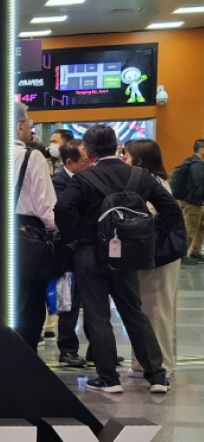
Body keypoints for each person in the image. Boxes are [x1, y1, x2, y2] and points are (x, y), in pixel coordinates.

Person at [54, 124, 174, 393]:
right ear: (116, 145)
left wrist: (70, 238)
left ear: (87, 150)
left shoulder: (83, 179)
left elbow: (62, 207)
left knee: (97, 314)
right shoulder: (139, 176)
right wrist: (150, 241)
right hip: (128, 254)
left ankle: (108, 378)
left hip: (89, 251)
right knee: (134, 312)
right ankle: (156, 376)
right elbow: (171, 211)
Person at [125, 138, 186, 376]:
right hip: (158, 255)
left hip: (160, 256)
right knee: (150, 310)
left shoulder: (155, 183)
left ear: (139, 159)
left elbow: (156, 216)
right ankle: (145, 362)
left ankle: (159, 365)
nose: (124, 160)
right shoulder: (150, 181)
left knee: (157, 311)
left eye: (128, 156)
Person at [12, 103, 58, 352]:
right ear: (20, 126)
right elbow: (45, 205)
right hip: (27, 233)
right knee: (28, 299)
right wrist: (59, 233)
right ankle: (24, 355)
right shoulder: (32, 156)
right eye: (30, 123)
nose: (32, 128)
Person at [51, 139, 87, 367]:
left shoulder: (85, 179)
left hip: (85, 249)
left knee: (90, 300)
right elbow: (62, 214)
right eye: (86, 160)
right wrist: (71, 238)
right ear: (71, 162)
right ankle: (67, 349)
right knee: (68, 303)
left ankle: (98, 349)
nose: (90, 163)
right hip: (66, 252)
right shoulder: (59, 182)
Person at [173, 139, 204, 265]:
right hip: (193, 202)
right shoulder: (197, 165)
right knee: (190, 229)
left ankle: (196, 252)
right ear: (201, 150)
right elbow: (199, 184)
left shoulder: (191, 162)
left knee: (201, 226)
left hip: (195, 201)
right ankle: (182, 254)